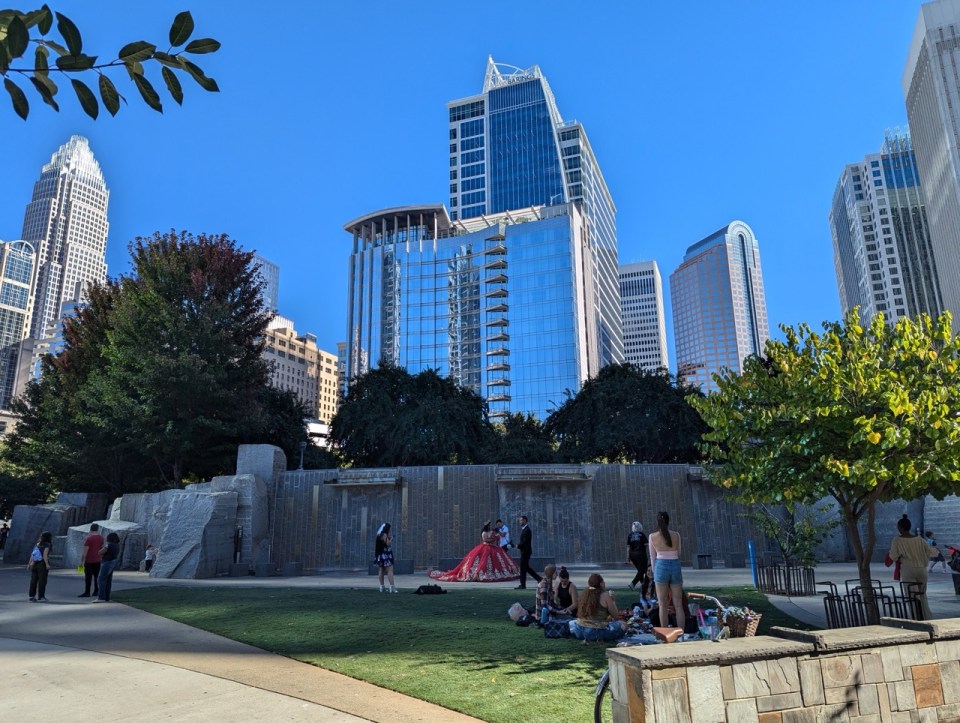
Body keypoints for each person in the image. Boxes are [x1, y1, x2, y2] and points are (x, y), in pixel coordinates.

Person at [429, 521, 520, 583]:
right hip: (485, 547)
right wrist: (493, 538)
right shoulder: (484, 532)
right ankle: (478, 574)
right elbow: (486, 539)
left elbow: (496, 537)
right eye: (488, 525)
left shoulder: (491, 531)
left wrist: (496, 536)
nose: (490, 526)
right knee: (481, 562)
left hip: (493, 547)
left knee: (497, 561)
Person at [891, 515, 935, 619]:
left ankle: (917, 618)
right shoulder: (919, 539)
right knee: (922, 595)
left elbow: (893, 556)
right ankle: (927, 617)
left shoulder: (897, 540)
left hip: (908, 569)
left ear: (900, 527)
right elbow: (930, 552)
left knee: (912, 596)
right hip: (922, 569)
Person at [649, 511, 685, 633]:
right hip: (675, 564)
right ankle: (681, 633)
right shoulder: (677, 535)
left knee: (662, 603)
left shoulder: (652, 536)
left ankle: (665, 633)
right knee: (678, 603)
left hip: (661, 566)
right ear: (668, 521)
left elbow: (652, 557)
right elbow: (679, 553)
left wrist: (654, 573)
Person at [569, 573, 626, 642]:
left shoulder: (584, 593)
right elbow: (616, 617)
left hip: (579, 631)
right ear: (601, 583)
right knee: (623, 624)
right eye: (603, 582)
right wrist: (613, 600)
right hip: (595, 633)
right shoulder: (605, 595)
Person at [515, 515, 542, 590]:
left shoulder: (527, 530)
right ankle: (539, 579)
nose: (520, 522)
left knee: (523, 569)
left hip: (526, 552)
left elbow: (525, 542)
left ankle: (523, 584)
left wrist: (518, 546)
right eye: (520, 520)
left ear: (525, 521)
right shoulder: (524, 529)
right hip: (524, 551)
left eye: (521, 520)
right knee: (526, 568)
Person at [94, 531, 121, 603]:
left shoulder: (109, 545)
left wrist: (102, 553)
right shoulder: (117, 545)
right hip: (113, 562)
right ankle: (107, 597)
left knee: (101, 579)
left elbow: (100, 552)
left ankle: (101, 597)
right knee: (108, 580)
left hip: (107, 562)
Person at [79, 523, 104, 597]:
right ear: (97, 529)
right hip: (98, 560)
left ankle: (87, 592)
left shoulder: (89, 539)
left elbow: (85, 551)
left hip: (89, 560)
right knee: (96, 577)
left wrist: (81, 562)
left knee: (88, 577)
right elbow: (102, 548)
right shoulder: (101, 538)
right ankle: (96, 591)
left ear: (90, 529)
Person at [28, 531, 53, 602]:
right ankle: (41, 596)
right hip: (42, 564)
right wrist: (47, 564)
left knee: (33, 580)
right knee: (42, 581)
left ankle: (32, 596)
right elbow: (45, 555)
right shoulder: (47, 544)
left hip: (34, 563)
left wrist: (29, 563)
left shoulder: (37, 544)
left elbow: (32, 554)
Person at [374, 523, 398, 593]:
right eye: (389, 528)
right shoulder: (384, 534)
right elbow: (388, 543)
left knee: (381, 570)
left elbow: (383, 542)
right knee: (390, 570)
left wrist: (388, 538)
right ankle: (392, 587)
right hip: (386, 555)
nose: (390, 530)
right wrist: (391, 539)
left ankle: (382, 587)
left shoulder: (379, 534)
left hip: (380, 554)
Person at [626, 521, 648, 592]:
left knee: (640, 571)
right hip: (641, 555)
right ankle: (633, 583)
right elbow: (646, 544)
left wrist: (628, 557)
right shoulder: (641, 534)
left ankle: (644, 586)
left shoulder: (630, 535)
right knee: (642, 570)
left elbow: (628, 547)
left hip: (632, 555)